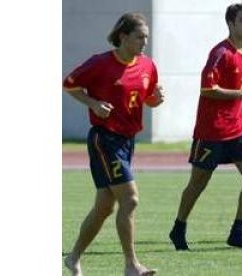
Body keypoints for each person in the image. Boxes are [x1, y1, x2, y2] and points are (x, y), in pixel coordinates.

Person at [63, 13, 164, 276]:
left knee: (105, 207)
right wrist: (94, 104)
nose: (144, 42)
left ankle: (73, 258)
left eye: (146, 38)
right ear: (123, 37)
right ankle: (132, 266)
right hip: (104, 139)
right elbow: (70, 85)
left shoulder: (148, 66)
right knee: (130, 200)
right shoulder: (100, 63)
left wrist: (156, 99)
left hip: (127, 141)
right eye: (139, 37)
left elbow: (148, 99)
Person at [168, 3, 242, 251]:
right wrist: (241, 93)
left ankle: (237, 232)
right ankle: (179, 226)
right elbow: (207, 89)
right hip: (212, 131)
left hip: (239, 129)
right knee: (198, 183)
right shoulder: (220, 53)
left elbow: (239, 90)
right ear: (231, 23)